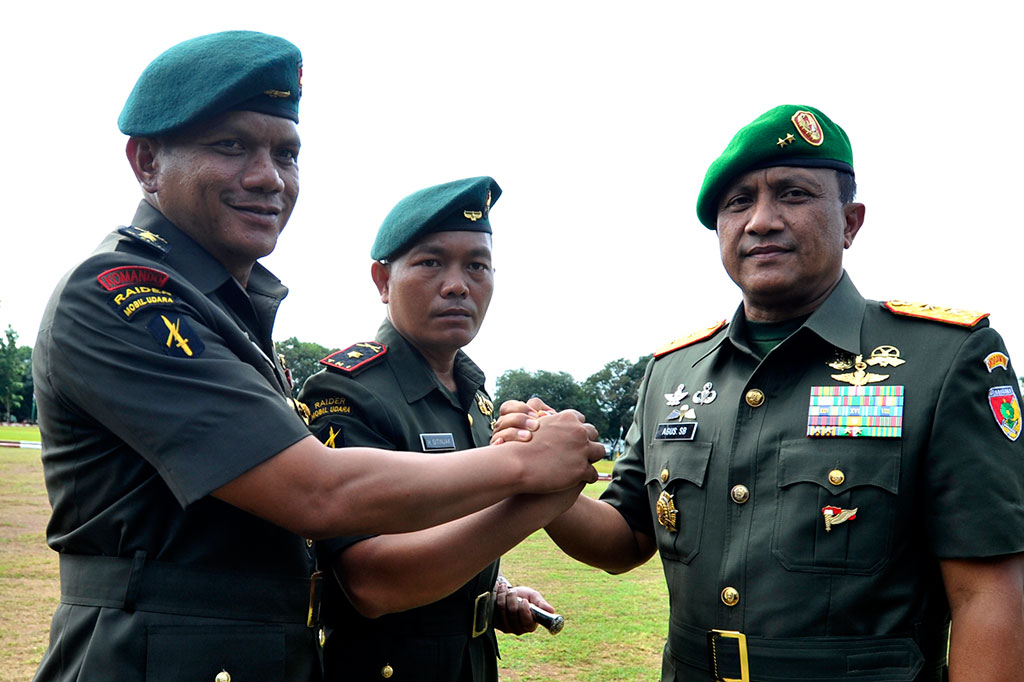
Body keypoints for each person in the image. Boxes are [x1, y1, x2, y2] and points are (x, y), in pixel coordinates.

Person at [32, 32, 603, 682]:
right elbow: (318, 492)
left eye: (287, 153)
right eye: (231, 146)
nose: (268, 177)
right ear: (146, 161)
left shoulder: (222, 312)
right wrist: (528, 466)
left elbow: (287, 544)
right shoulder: (119, 295)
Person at [496, 105, 1024, 681]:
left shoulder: (941, 361)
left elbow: (989, 593)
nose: (761, 221)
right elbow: (625, 539)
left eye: (794, 195)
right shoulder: (673, 374)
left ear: (851, 222)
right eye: (738, 202)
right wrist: (540, 476)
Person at [299, 177, 574, 681]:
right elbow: (368, 581)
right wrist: (540, 495)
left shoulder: (474, 395)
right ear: (382, 281)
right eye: (430, 263)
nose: (457, 284)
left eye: (477, 265)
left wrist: (496, 589)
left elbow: (452, 531)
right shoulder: (348, 393)